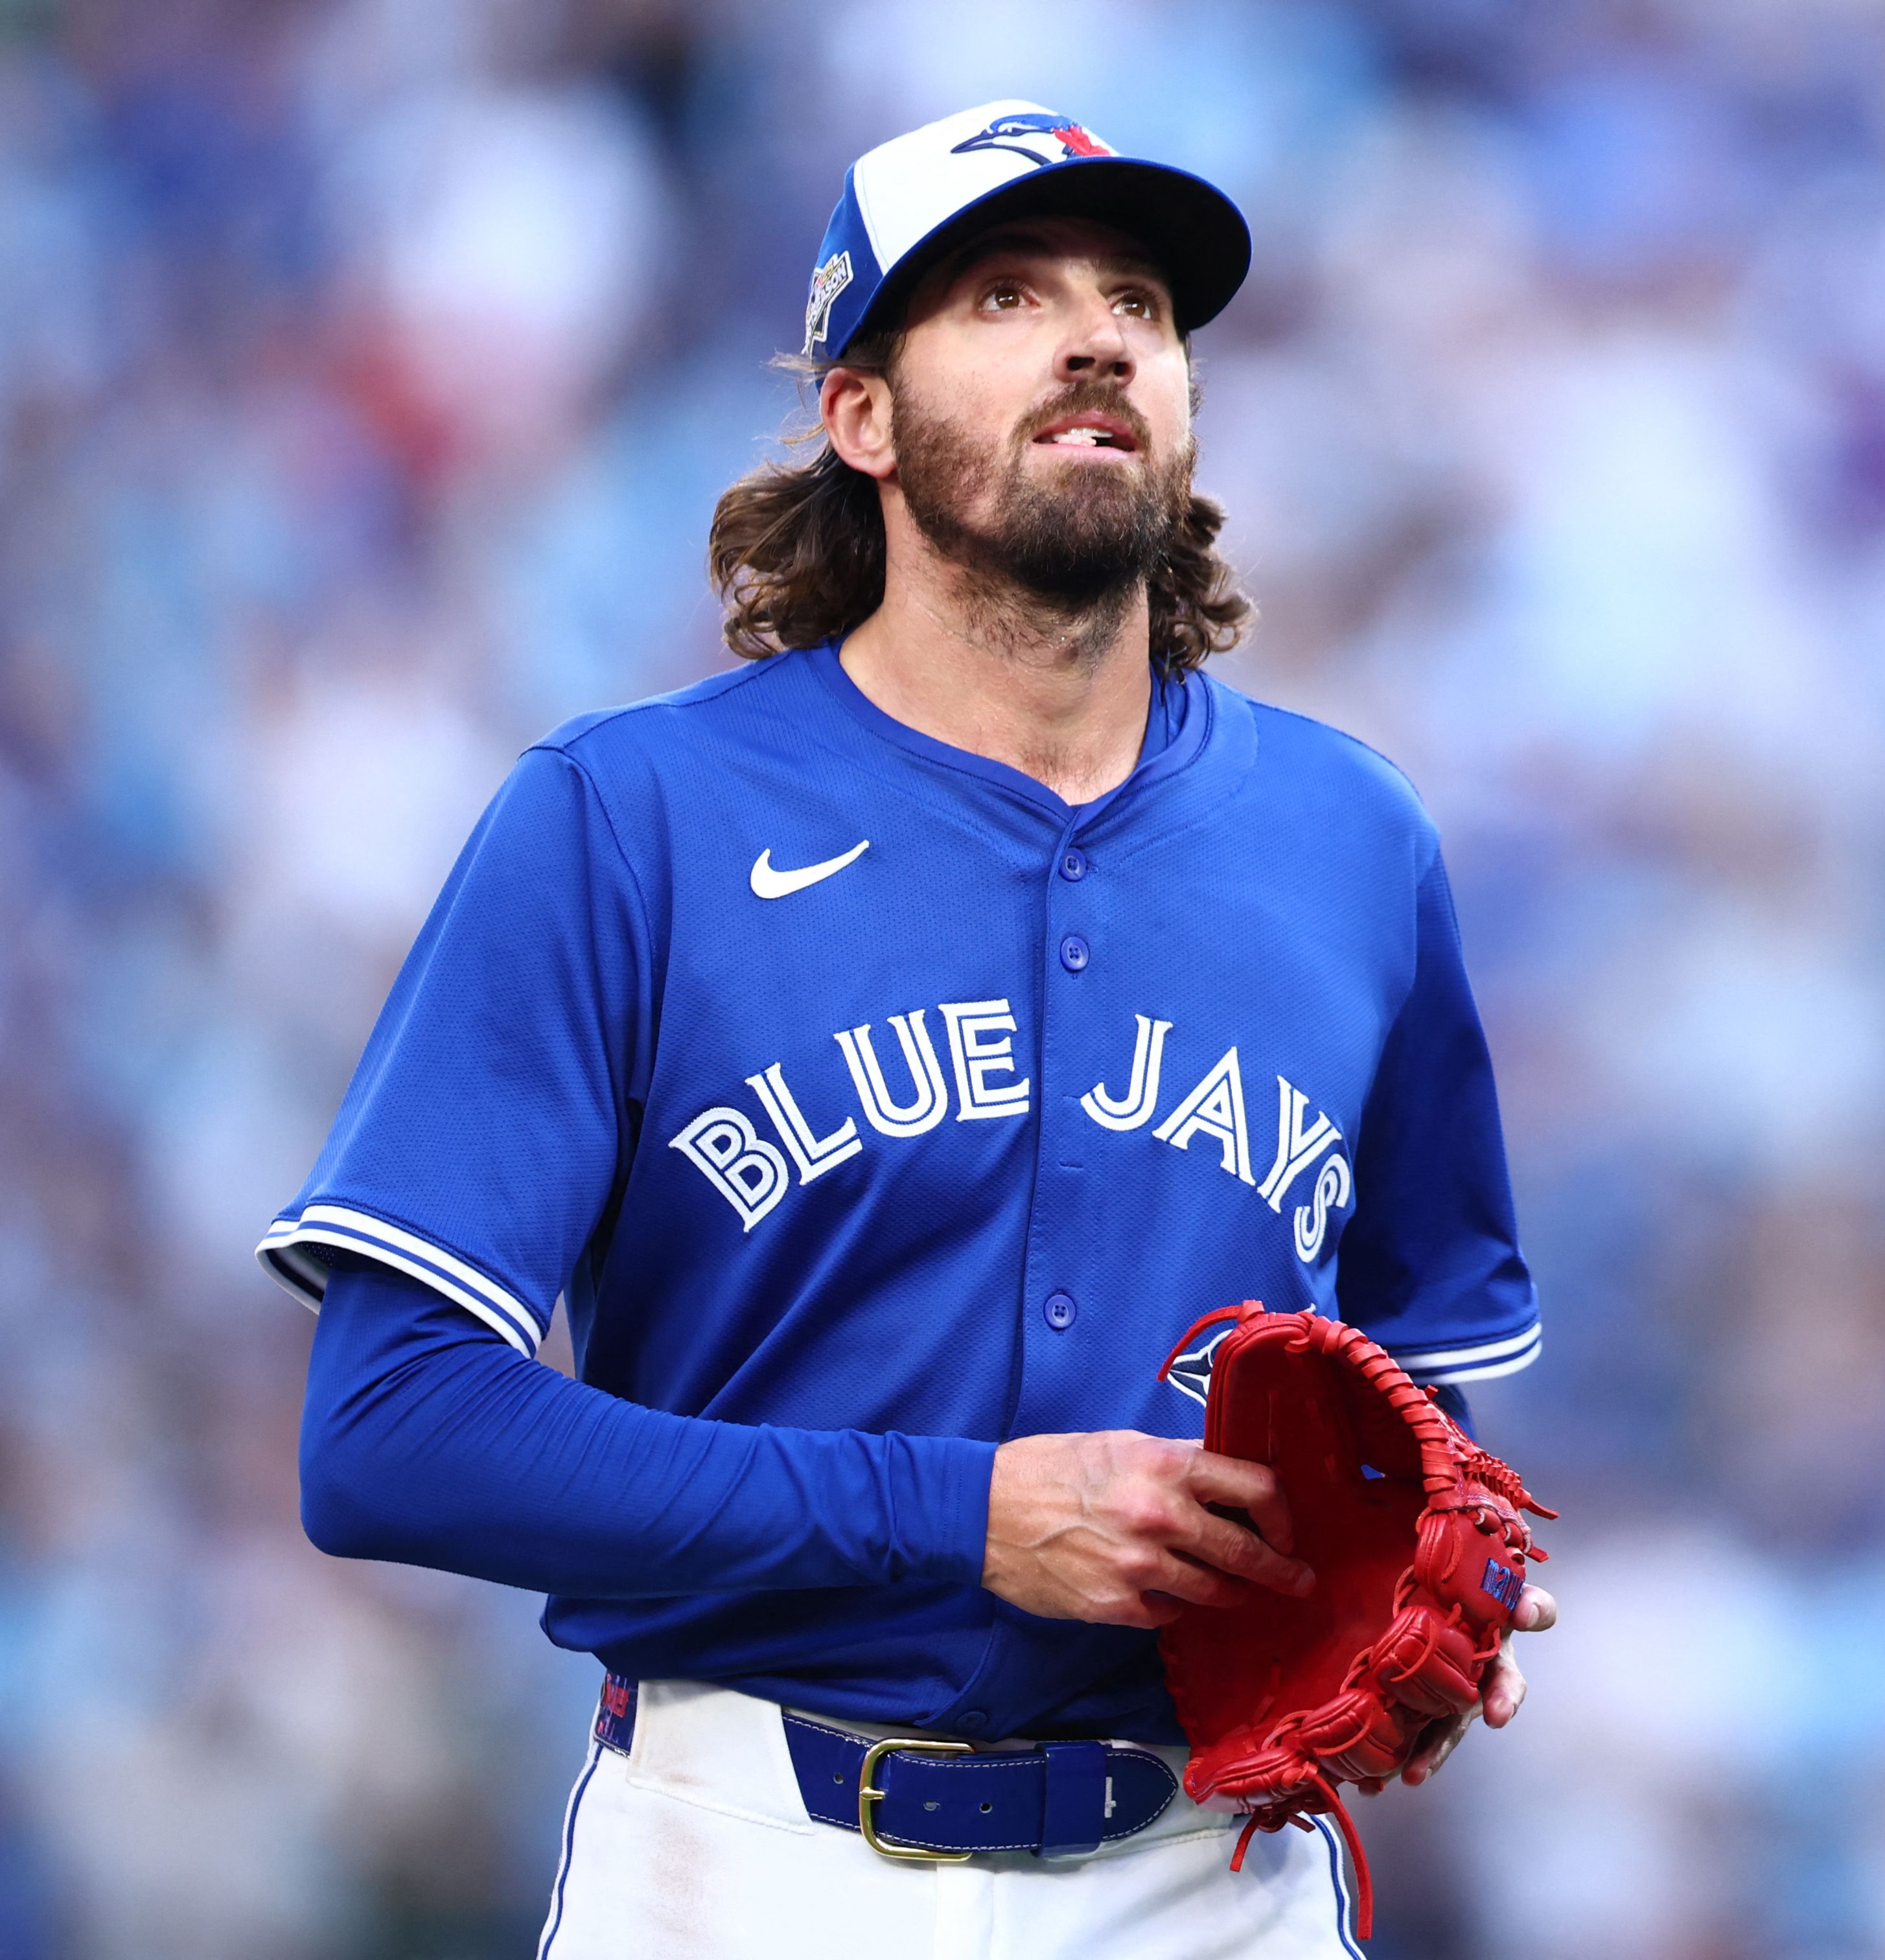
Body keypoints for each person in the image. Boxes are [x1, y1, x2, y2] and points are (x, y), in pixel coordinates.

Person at [264, 100, 1551, 1958]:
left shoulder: (1351, 843)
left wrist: (1442, 1586)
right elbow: (387, 1433)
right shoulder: (631, 820)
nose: (1098, 334)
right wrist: (957, 1516)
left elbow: (1428, 1405)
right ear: (862, 413)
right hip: (750, 1861)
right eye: (1006, 295)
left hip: (1216, 1874)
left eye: (1141, 305)